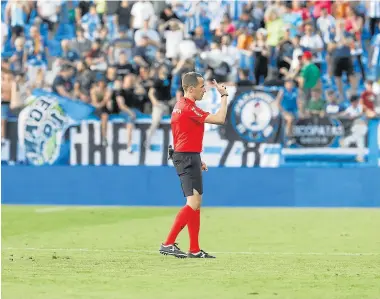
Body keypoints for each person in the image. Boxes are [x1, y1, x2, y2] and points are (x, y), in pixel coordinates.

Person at [159, 72, 228, 259]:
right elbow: (220, 119)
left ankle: (195, 249)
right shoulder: (188, 107)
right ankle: (167, 243)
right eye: (201, 87)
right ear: (190, 89)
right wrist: (223, 96)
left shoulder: (180, 106)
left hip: (189, 155)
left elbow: (182, 134)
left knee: (196, 204)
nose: (204, 90)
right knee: (193, 203)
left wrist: (197, 158)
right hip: (187, 157)